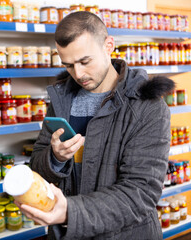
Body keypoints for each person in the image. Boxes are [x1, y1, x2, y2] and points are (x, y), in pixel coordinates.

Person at [15, 11, 174, 240]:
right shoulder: (62, 101)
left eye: (85, 61)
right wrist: (55, 158)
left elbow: (140, 193)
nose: (78, 74)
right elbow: (37, 167)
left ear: (109, 45)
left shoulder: (146, 107)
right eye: (68, 65)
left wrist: (70, 212)